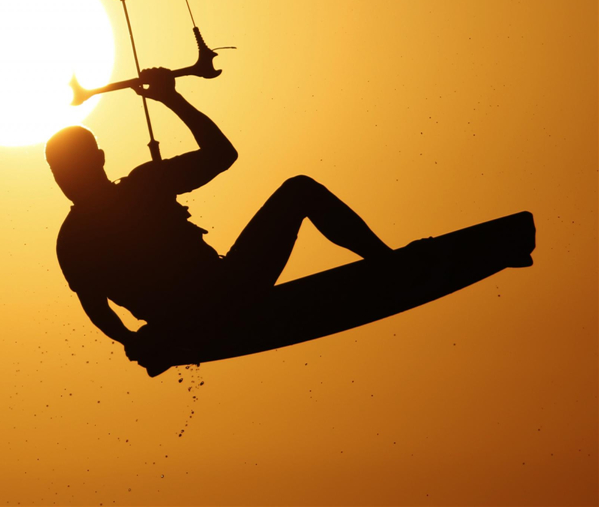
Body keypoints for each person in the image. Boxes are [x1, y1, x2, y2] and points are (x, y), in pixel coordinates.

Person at [47, 68, 392, 371]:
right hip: (212, 305)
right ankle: (390, 265)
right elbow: (96, 307)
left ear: (99, 159)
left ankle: (390, 264)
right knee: (300, 190)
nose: (67, 178)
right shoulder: (77, 237)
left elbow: (222, 156)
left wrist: (171, 98)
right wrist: (130, 339)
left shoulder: (140, 187)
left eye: (73, 167)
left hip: (220, 293)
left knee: (299, 189)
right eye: (59, 172)